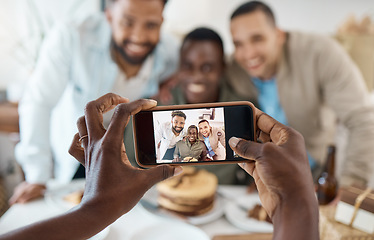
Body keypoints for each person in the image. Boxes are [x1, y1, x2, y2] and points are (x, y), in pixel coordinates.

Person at [0, 93, 319, 240]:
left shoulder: (202, 143)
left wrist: (94, 210)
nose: (191, 129)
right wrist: (296, 205)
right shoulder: (174, 143)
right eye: (186, 126)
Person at [11, 0, 179, 204]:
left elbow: (182, 75)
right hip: (75, 157)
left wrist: (172, 82)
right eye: (128, 22)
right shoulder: (72, 36)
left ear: (162, 21)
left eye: (151, 25)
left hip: (126, 160)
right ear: (108, 15)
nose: (139, 36)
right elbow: (38, 101)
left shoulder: (170, 52)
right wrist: (37, 175)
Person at [227, 1, 374, 187]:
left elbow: (362, 120)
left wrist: (351, 186)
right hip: (262, 173)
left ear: (279, 35)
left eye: (257, 39)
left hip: (317, 170)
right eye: (238, 44)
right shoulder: (234, 68)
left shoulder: (321, 53)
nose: (248, 54)